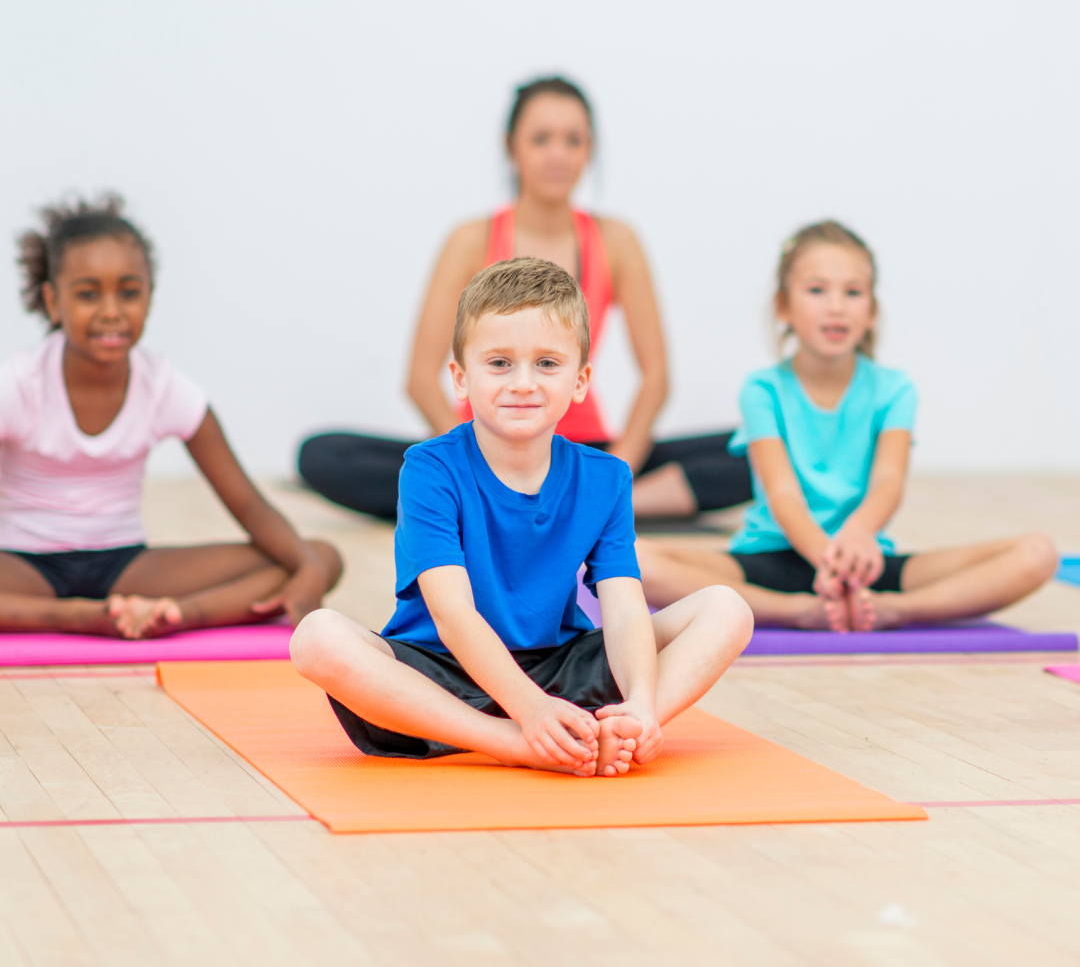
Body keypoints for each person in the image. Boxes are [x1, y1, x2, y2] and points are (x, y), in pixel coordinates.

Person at [290, 258, 752, 775]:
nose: (524, 383)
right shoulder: (428, 469)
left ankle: (622, 729)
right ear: (461, 379)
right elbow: (453, 615)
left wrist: (643, 701)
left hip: (561, 671)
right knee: (316, 637)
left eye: (548, 364)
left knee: (726, 609)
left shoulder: (607, 477)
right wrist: (527, 713)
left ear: (580, 382)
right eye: (500, 363)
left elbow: (623, 609)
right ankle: (508, 742)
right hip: (445, 678)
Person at [297, 76, 752, 521]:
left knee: (754, 450)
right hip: (487, 446)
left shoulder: (617, 242)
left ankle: (589, 505)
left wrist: (617, 475)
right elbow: (420, 377)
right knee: (325, 454)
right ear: (511, 146)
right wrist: (477, 465)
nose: (558, 154)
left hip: (581, 451)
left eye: (573, 140)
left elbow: (656, 378)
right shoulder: (470, 240)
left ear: (589, 149)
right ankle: (518, 502)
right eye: (541, 139)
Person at [636, 220, 1057, 632]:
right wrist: (825, 557)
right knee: (631, 559)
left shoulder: (894, 390)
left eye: (853, 293)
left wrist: (855, 539)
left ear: (871, 311)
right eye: (817, 290)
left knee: (1037, 553)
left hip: (863, 561)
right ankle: (794, 611)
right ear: (784, 307)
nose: (836, 306)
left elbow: (888, 481)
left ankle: (895, 609)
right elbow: (782, 494)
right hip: (771, 557)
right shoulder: (762, 390)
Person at [0, 195, 342, 639]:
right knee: (307, 562)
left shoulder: (163, 386)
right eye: (88, 294)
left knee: (321, 555)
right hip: (23, 565)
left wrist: (309, 570)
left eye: (128, 292)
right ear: (52, 301)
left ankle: (175, 614)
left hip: (126, 566)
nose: (111, 311)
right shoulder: (19, 385)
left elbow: (249, 505)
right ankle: (80, 618)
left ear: (149, 296)